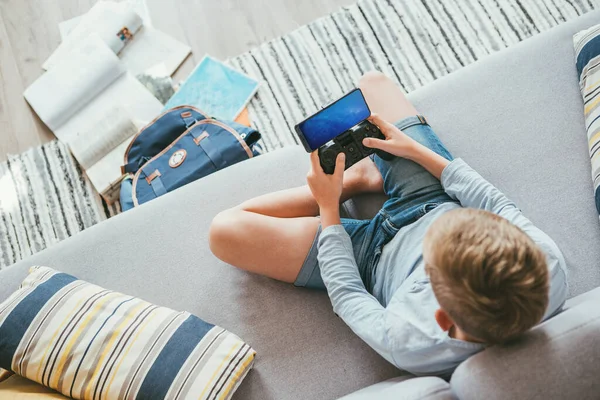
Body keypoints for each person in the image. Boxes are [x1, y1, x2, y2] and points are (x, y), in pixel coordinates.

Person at [209, 72, 568, 376]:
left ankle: (357, 180)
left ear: (443, 319)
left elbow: (349, 295)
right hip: (434, 196)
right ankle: (372, 173)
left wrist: (329, 203)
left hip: (370, 259)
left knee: (223, 231)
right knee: (373, 85)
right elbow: (495, 203)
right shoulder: (545, 264)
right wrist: (412, 150)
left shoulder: (411, 342)